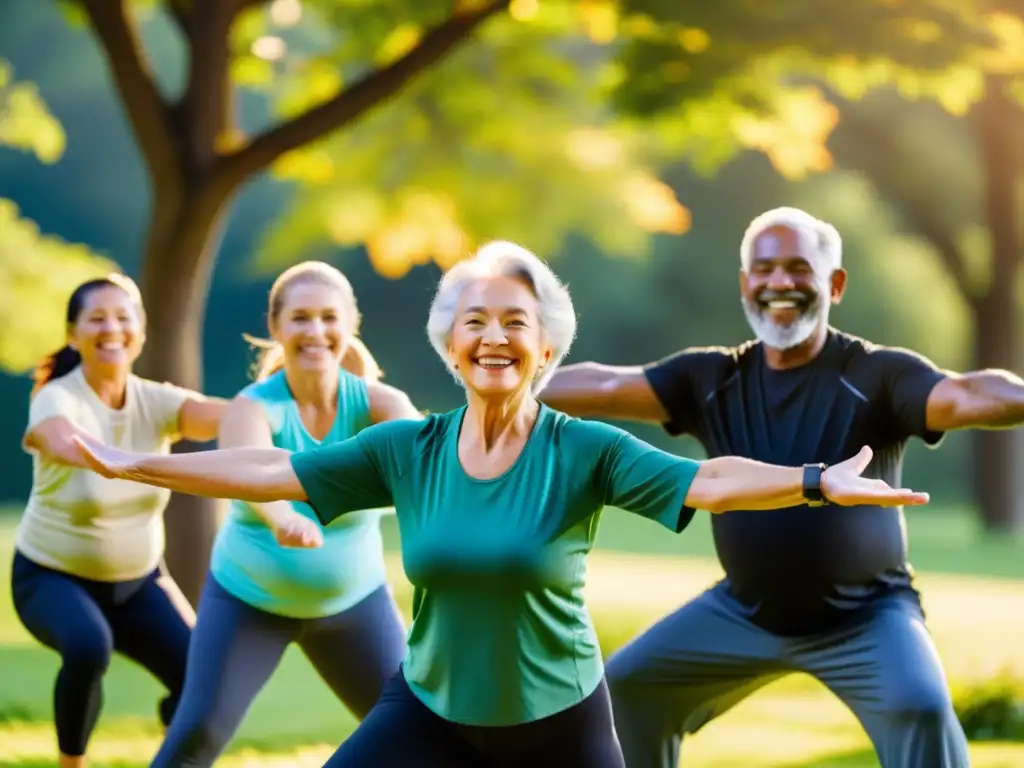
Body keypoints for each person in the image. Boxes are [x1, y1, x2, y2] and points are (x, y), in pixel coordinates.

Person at [72, 242, 929, 768]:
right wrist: (140, 465)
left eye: (516, 322)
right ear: (450, 345)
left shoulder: (579, 448)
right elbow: (270, 472)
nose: (494, 337)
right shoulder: (410, 449)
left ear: (547, 345)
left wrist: (814, 480)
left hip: (556, 722)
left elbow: (704, 483)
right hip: (432, 712)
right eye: (475, 321)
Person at [540, 206, 1024, 768]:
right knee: (624, 688)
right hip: (742, 612)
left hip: (867, 617)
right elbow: (605, 383)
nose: (779, 283)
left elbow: (966, 394)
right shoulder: (711, 380)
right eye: (764, 270)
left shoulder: (876, 374)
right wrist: (510, 377)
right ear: (746, 284)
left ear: (834, 284)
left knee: (918, 706)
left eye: (798, 268)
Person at [152, 261, 421, 767]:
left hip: (355, 605)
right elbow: (249, 472)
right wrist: (283, 518)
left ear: (350, 324)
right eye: (300, 318)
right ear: (276, 327)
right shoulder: (253, 406)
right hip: (248, 603)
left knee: (420, 733)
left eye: (328, 317)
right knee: (197, 735)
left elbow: (435, 464)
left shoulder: (383, 404)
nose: (315, 331)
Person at [12, 274, 228, 768]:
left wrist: (278, 402)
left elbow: (219, 416)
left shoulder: (155, 401)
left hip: (138, 584)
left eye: (123, 316)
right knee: (89, 646)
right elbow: (58, 438)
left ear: (142, 331)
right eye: (97, 318)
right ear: (73, 333)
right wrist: (112, 458)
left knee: (201, 675)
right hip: (50, 576)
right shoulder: (58, 397)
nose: (112, 328)